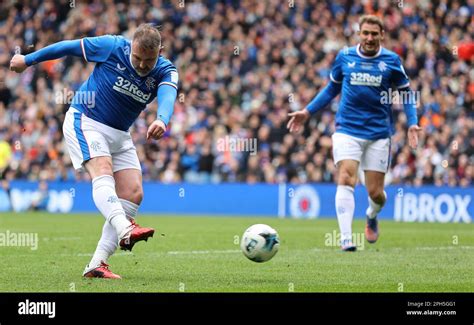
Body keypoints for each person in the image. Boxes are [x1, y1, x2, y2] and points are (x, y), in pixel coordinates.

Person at [10, 23, 179, 277]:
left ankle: (97, 264)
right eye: (137, 58)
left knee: (133, 193)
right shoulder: (112, 46)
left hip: (120, 133)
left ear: (160, 52)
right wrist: (28, 59)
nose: (142, 65)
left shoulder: (166, 70)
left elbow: (168, 94)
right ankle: (125, 228)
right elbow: (68, 46)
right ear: (131, 46)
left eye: (149, 60)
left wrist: (161, 119)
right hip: (86, 120)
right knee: (103, 170)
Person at [287, 15, 421, 251]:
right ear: (359, 33)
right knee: (346, 177)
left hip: (379, 134)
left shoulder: (391, 61)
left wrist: (412, 122)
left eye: (374, 33)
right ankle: (346, 239)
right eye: (365, 33)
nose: (369, 38)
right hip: (347, 129)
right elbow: (331, 89)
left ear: (382, 35)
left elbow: (407, 94)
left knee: (376, 193)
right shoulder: (345, 56)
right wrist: (307, 112)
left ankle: (371, 215)